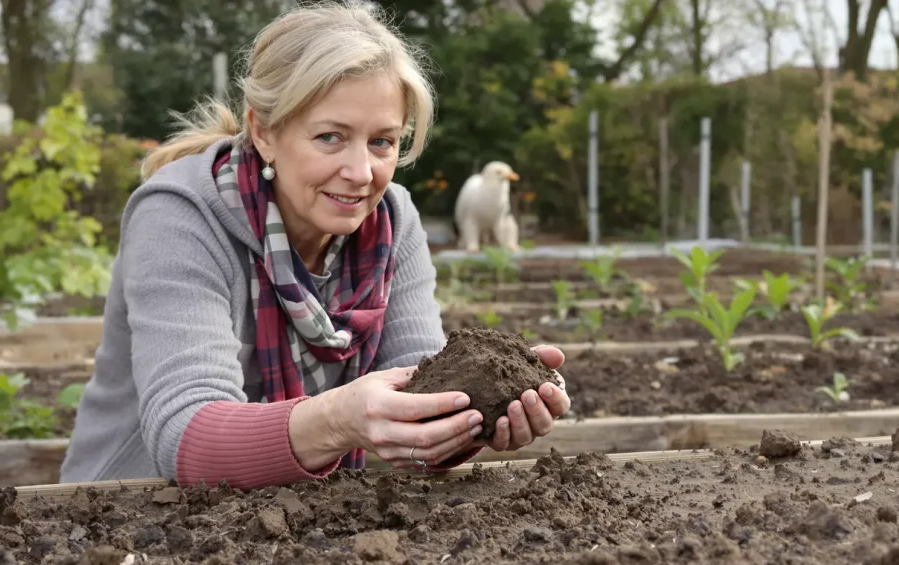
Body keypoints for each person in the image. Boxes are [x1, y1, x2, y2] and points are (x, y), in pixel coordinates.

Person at [58, 1, 571, 490]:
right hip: (133, 510)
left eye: (382, 141)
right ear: (264, 132)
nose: (361, 172)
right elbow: (186, 435)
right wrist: (338, 420)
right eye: (330, 137)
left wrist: (473, 411)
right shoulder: (179, 216)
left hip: (302, 512)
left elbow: (417, 390)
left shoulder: (392, 220)